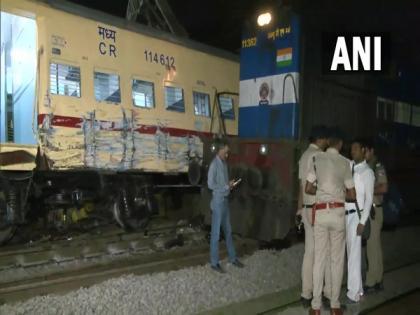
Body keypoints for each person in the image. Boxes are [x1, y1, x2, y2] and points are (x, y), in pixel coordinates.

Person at [305, 127, 356, 315]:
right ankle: (335, 305)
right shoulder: (345, 163)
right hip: (338, 214)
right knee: (336, 260)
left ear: (328, 143)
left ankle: (316, 307)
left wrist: (320, 191)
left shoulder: (316, 159)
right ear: (340, 144)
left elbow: (308, 188)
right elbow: (352, 194)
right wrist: (340, 193)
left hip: (321, 213)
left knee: (319, 259)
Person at [297, 125, 331, 308]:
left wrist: (299, 209)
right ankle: (322, 294)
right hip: (318, 209)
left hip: (307, 210)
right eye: (326, 139)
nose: (327, 142)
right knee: (322, 254)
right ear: (320, 139)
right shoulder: (319, 157)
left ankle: (305, 293)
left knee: (309, 252)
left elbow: (301, 186)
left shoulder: (303, 156)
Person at [344, 139, 375, 304]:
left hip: (357, 215)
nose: (352, 151)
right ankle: (359, 290)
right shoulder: (350, 166)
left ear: (363, 150)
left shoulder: (367, 172)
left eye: (356, 148)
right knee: (351, 253)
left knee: (354, 256)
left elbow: (369, 199)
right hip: (346, 214)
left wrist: (362, 222)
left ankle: (353, 293)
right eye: (351, 148)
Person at [207, 138, 244, 273]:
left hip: (225, 201)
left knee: (228, 232)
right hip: (217, 203)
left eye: (228, 152)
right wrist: (225, 186)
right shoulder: (214, 165)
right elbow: (210, 184)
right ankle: (214, 262)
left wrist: (230, 185)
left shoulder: (223, 164)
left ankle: (232, 258)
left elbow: (222, 184)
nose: (227, 154)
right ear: (220, 150)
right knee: (216, 234)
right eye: (226, 152)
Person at [364, 140, 388, 292]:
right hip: (374, 209)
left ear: (371, 151)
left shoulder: (377, 166)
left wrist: (367, 190)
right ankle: (378, 279)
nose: (363, 153)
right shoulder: (370, 166)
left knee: (372, 248)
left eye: (365, 150)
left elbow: (384, 187)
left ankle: (371, 282)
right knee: (376, 246)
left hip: (374, 210)